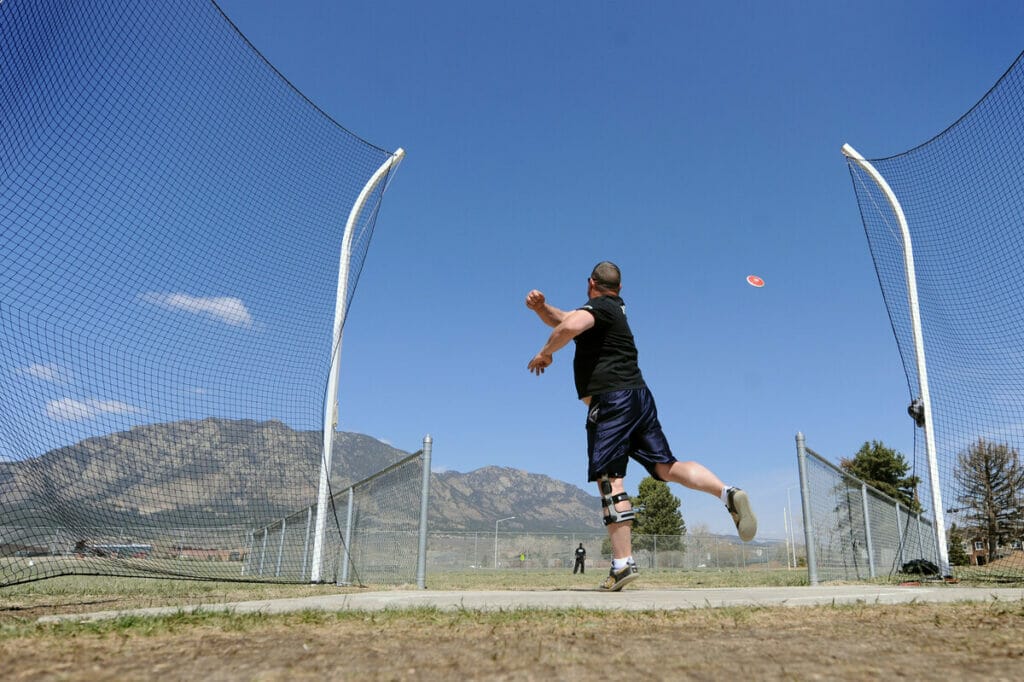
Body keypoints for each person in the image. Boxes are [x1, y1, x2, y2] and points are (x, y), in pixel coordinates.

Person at [526, 261, 757, 591]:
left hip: (612, 402)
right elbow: (565, 320)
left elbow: (568, 326)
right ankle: (727, 493)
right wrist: (541, 308)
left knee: (610, 479)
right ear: (619, 287)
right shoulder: (613, 307)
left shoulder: (598, 308)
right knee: (666, 466)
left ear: (591, 283)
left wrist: (545, 353)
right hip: (638, 398)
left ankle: (622, 564)